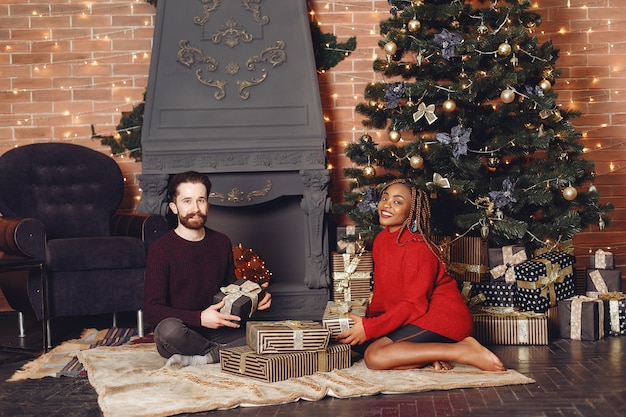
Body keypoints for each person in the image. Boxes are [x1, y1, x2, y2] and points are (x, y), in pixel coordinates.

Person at [336, 179, 505, 372]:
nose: (387, 204)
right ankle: (431, 354)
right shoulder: (382, 240)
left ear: (412, 211)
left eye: (398, 202)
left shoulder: (418, 247)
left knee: (374, 357)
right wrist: (368, 322)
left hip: (441, 319)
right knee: (356, 343)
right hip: (413, 316)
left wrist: (371, 328)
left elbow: (415, 305)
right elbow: (386, 292)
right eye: (385, 198)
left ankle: (462, 351)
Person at [143, 171, 272, 367]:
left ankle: (206, 357)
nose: (195, 208)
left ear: (208, 205)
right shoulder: (161, 250)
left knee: (265, 335)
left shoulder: (221, 242)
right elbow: (152, 310)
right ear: (174, 207)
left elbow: (230, 289)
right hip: (182, 331)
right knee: (167, 331)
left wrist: (255, 295)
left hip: (219, 327)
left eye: (200, 200)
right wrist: (200, 318)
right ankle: (221, 353)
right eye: (187, 201)